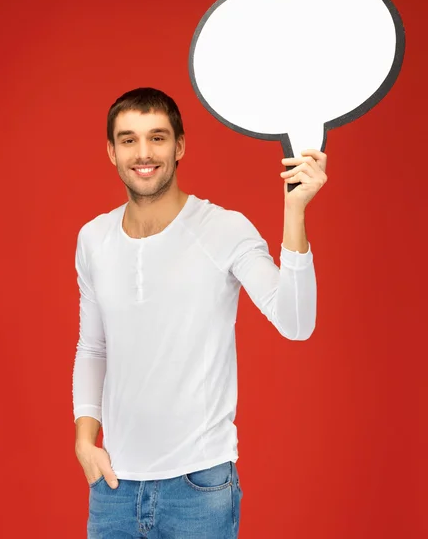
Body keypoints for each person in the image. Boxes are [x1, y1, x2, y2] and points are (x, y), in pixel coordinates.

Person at [72, 87, 327, 538]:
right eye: (128, 139)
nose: (144, 152)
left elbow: (296, 322)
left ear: (180, 145)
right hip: (112, 487)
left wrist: (294, 211)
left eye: (158, 137)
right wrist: (84, 440)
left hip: (199, 487)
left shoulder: (224, 228)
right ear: (111, 151)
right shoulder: (93, 239)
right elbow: (93, 347)